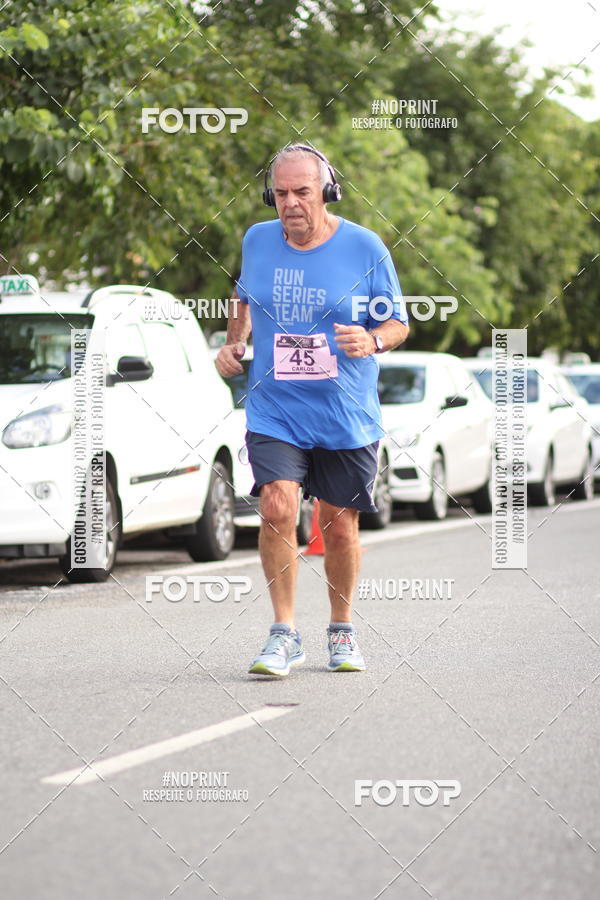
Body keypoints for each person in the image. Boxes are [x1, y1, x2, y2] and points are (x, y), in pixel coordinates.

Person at [216, 144, 409, 676]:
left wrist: (371, 341)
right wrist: (234, 343)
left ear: (327, 192)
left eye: (302, 192)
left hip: (344, 412)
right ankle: (284, 633)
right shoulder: (257, 239)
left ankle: (341, 628)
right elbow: (243, 298)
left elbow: (398, 323)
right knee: (277, 505)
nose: (290, 203)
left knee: (338, 526)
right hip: (276, 407)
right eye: (280, 193)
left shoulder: (364, 247)